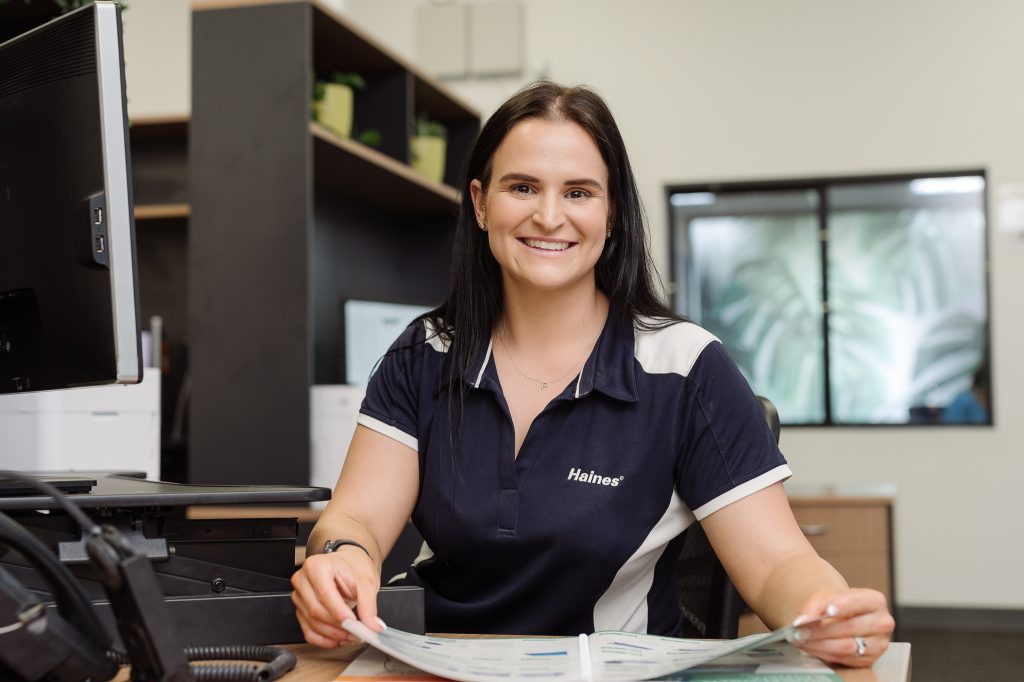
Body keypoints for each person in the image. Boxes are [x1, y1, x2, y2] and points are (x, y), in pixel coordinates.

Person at [291, 81, 894, 667]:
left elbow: (777, 563)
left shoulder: (685, 367)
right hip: (432, 663)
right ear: (480, 203)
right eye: (522, 187)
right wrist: (342, 559)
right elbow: (357, 520)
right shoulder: (424, 352)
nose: (549, 216)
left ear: (612, 214)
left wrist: (825, 607)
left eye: (579, 192)